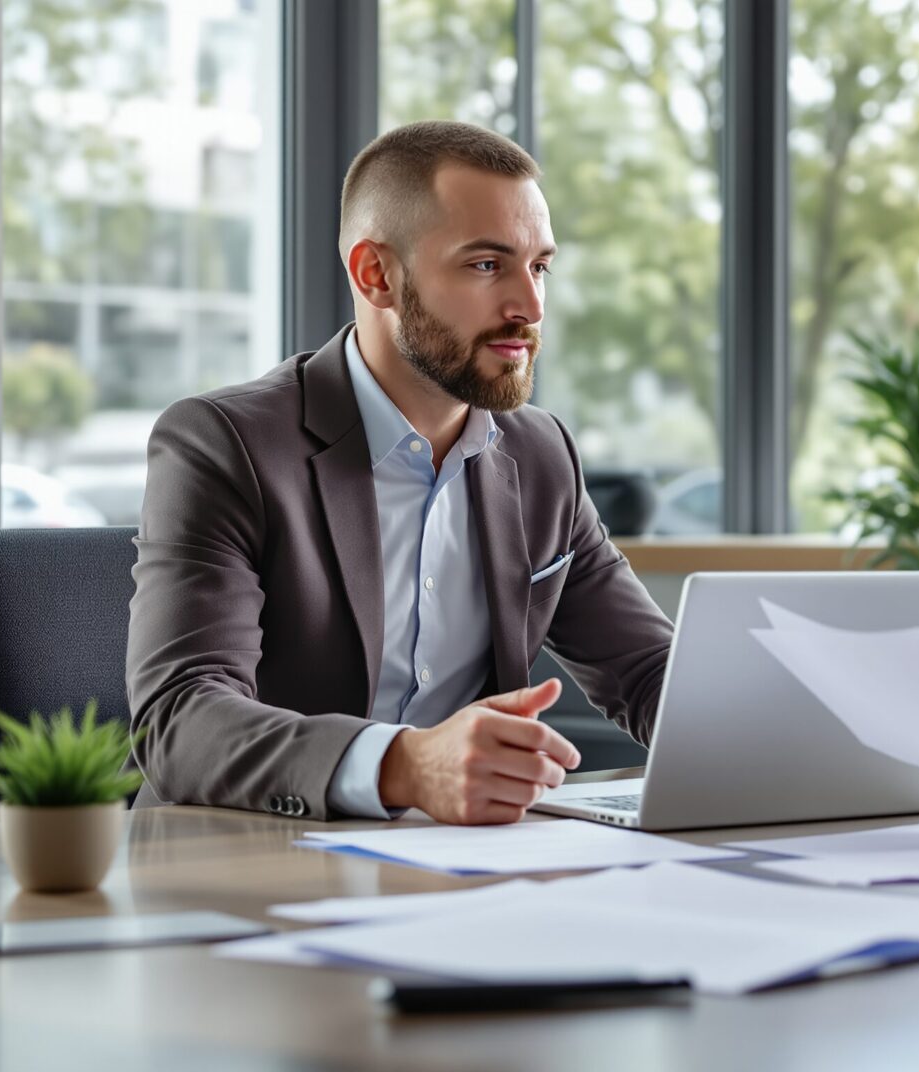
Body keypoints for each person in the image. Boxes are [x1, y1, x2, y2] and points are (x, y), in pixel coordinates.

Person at [126, 122, 675, 823]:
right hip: (248, 862)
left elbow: (652, 675)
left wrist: (808, 730)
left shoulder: (540, 456)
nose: (530, 308)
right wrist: (402, 766)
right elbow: (180, 719)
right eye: (486, 265)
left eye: (539, 266)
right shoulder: (225, 444)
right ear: (376, 274)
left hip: (459, 868)